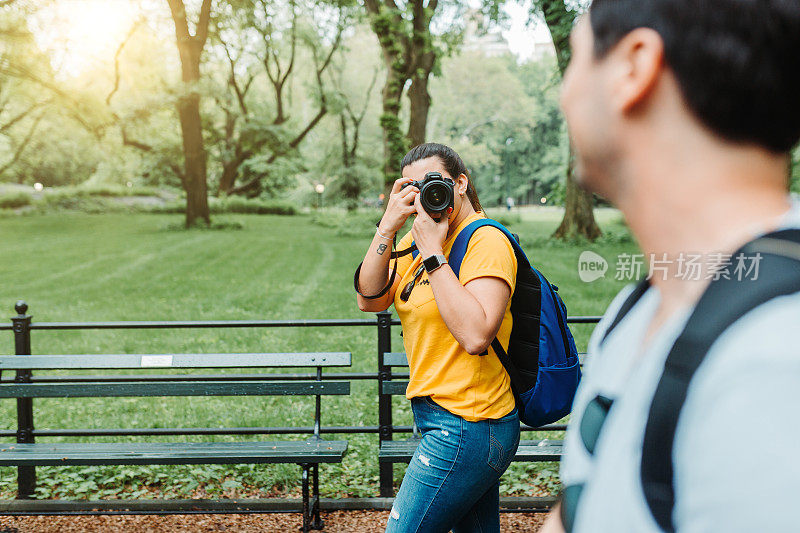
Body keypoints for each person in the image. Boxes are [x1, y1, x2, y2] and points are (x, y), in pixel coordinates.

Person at [541, 1, 800, 532]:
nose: (564, 95)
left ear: (633, 68)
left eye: (575, 59)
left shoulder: (775, 361)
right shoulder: (637, 310)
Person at [355, 143, 520, 533]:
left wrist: (433, 253)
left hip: (471, 424)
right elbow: (370, 298)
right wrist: (387, 226)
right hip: (439, 415)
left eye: (435, 182)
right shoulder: (418, 239)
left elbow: (477, 334)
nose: (428, 194)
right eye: (414, 187)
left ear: (460, 183)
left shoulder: (486, 242)